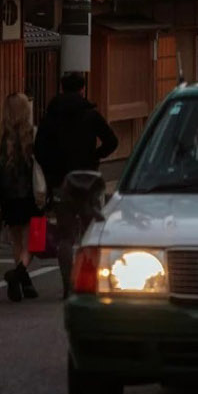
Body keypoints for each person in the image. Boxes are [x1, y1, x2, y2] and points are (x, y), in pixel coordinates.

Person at [34, 71, 118, 298]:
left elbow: (39, 149)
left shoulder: (51, 117)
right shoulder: (90, 115)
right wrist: (95, 157)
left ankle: (67, 286)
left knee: (65, 236)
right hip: (88, 179)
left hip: (62, 181)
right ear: (82, 89)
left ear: (61, 89)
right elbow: (112, 141)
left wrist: (52, 172)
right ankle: (90, 283)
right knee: (90, 233)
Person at [0, 92, 43, 302]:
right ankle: (18, 275)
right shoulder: (34, 136)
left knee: (17, 240)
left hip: (7, 197)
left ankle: (23, 279)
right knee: (35, 240)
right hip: (32, 196)